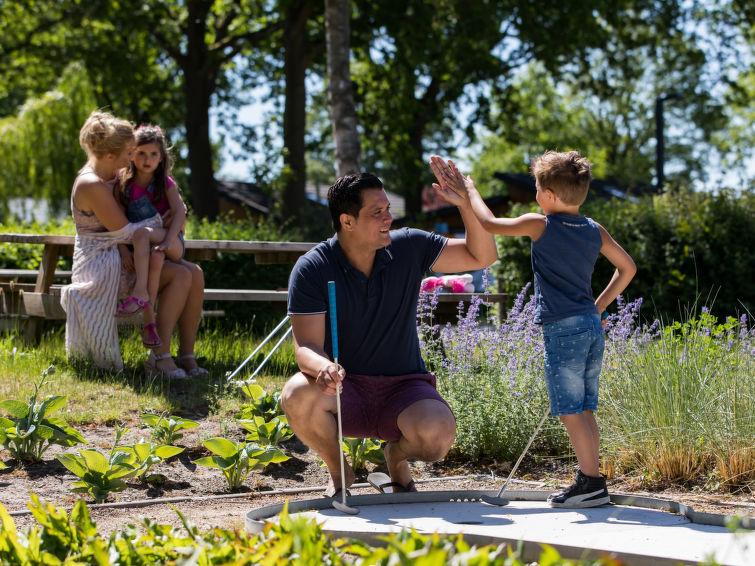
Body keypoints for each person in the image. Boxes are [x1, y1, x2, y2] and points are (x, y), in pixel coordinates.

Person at [280, 167, 498, 498]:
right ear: (347, 221)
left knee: (437, 437)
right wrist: (323, 367)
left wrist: (466, 204)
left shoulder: (409, 246)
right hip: (344, 389)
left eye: (387, 209)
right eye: (377, 212)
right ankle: (340, 473)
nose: (388, 218)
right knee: (296, 393)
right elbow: (305, 346)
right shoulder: (312, 267)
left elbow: (483, 255)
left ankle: (394, 457)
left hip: (403, 388)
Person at [441, 150, 636, 508]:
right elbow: (628, 268)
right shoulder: (594, 229)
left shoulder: (541, 224)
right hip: (591, 327)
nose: (535, 196)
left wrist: (470, 191)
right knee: (584, 408)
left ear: (548, 194)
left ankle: (592, 484)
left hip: (563, 329)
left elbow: (489, 223)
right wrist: (598, 307)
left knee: (569, 410)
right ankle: (591, 479)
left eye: (536, 189)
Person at [61, 110, 207, 379]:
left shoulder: (112, 175)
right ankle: (159, 356)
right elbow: (127, 232)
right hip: (102, 264)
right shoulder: (91, 184)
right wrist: (167, 223)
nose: (132, 159)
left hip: (124, 253)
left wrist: (174, 215)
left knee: (195, 273)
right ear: (109, 155)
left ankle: (186, 355)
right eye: (129, 152)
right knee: (181, 275)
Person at [113, 125, 187, 351]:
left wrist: (168, 239)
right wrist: (123, 251)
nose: (148, 159)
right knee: (154, 259)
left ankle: (139, 292)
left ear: (161, 157)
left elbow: (180, 211)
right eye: (142, 153)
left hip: (171, 240)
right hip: (145, 245)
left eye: (154, 154)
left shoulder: (165, 183)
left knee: (142, 233)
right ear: (131, 154)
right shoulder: (124, 183)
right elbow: (115, 223)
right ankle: (149, 324)